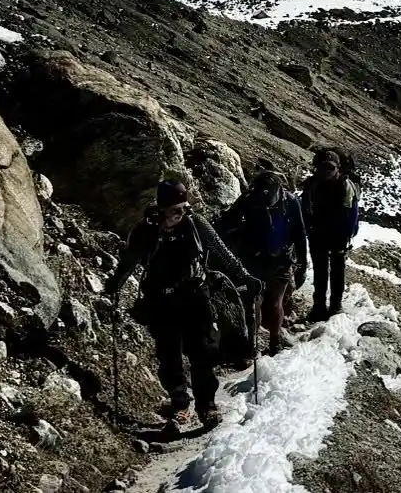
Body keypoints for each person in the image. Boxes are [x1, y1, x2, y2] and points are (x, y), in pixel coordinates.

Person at [109, 180, 256, 428]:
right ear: (162, 208)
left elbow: (221, 252)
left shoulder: (195, 224)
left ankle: (206, 406)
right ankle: (180, 406)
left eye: (185, 206)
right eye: (176, 208)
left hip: (195, 298)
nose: (182, 212)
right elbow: (129, 262)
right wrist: (113, 287)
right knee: (169, 358)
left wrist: (245, 277)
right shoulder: (145, 230)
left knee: (203, 355)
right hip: (160, 302)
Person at [221, 168, 308, 355]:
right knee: (263, 302)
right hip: (265, 258)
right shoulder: (285, 201)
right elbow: (300, 233)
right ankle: (267, 343)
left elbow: (300, 233)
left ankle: (262, 343)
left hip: (268, 258)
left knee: (264, 302)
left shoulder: (284, 201)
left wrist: (302, 263)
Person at [299, 148, 359, 321]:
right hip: (319, 233)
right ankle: (320, 306)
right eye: (323, 168)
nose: (326, 172)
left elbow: (352, 213)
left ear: (338, 169)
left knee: (335, 271)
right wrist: (309, 229)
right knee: (321, 271)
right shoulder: (313, 185)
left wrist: (347, 234)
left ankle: (334, 305)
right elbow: (305, 209)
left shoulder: (345, 186)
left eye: (329, 168)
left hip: (337, 235)